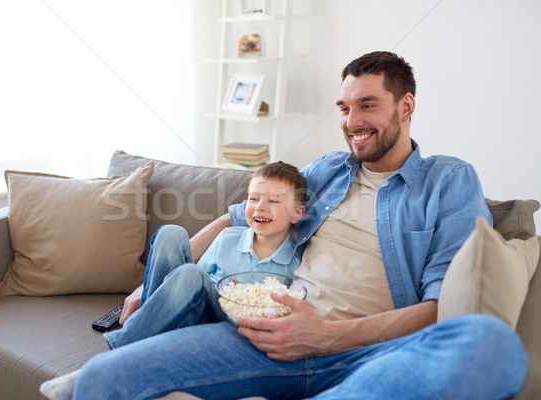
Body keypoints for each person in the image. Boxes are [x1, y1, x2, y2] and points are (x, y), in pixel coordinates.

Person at [72, 51, 527, 400]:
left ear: (405, 106)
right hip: (269, 333)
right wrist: (146, 289)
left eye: (367, 105)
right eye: (344, 108)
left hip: (368, 350)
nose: (352, 122)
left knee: (490, 343)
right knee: (97, 378)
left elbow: (444, 305)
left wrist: (328, 336)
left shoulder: (448, 181)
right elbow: (236, 217)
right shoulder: (328, 169)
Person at [40, 161, 307, 399]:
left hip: (226, 328)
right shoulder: (228, 238)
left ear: (297, 214)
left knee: (192, 273)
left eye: (274, 201)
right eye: (253, 198)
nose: (260, 206)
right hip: (193, 313)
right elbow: (193, 282)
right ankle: (144, 332)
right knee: (171, 233)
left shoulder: (295, 264)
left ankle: (108, 359)